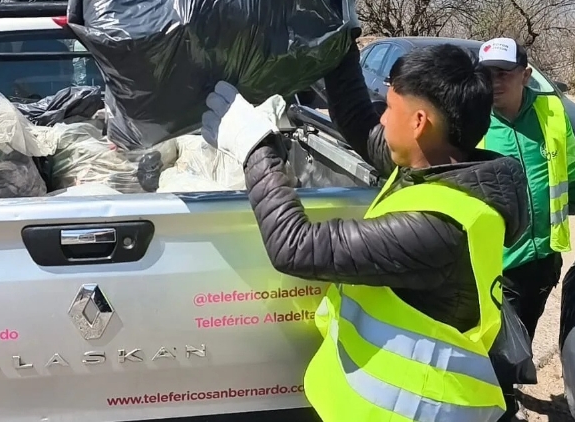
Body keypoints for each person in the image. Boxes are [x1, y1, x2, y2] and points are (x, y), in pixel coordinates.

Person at [201, 35, 530, 422]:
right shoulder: (436, 169)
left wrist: (255, 148)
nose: (383, 119)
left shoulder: (440, 228)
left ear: (419, 123)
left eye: (389, 108)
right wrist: (339, 35)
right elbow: (357, 120)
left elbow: (295, 246)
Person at [475, 36, 575, 421]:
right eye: (487, 74)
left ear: (525, 75)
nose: (494, 82)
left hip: (544, 258)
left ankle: (508, 391)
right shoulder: (471, 119)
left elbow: (571, 173)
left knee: (523, 333)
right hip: (495, 263)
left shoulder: (551, 111)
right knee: (495, 343)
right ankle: (501, 404)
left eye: (503, 74)